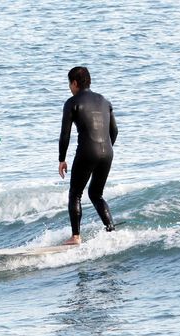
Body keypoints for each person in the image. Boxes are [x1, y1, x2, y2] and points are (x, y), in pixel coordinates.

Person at [58, 66, 118, 245]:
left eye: (70, 84)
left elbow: (65, 135)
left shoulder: (72, 102)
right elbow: (114, 131)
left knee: (75, 193)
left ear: (75, 83)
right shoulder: (105, 101)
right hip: (107, 152)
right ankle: (111, 230)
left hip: (86, 152)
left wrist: (62, 159)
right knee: (96, 194)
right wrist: (105, 149)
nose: (70, 87)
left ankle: (76, 236)